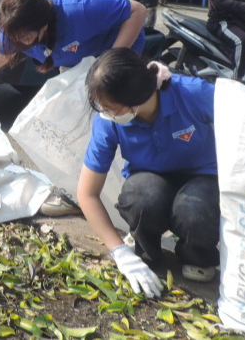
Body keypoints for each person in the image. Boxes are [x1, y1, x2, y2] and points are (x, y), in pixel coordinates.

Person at [77, 48, 219, 295]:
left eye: (111, 107)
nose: (106, 113)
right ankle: (145, 251)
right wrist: (120, 252)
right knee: (140, 196)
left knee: (194, 209)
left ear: (135, 99)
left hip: (202, 176)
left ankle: (197, 254)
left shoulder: (192, 93)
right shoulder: (108, 121)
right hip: (150, 179)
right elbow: (87, 194)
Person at [0, 0, 147, 86]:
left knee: (109, 108)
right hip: (79, 61)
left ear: (43, 25)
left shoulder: (80, 6)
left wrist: (110, 61)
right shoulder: (14, 26)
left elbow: (137, 10)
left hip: (118, 45)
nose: (21, 42)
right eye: (17, 38)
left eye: (26, 37)